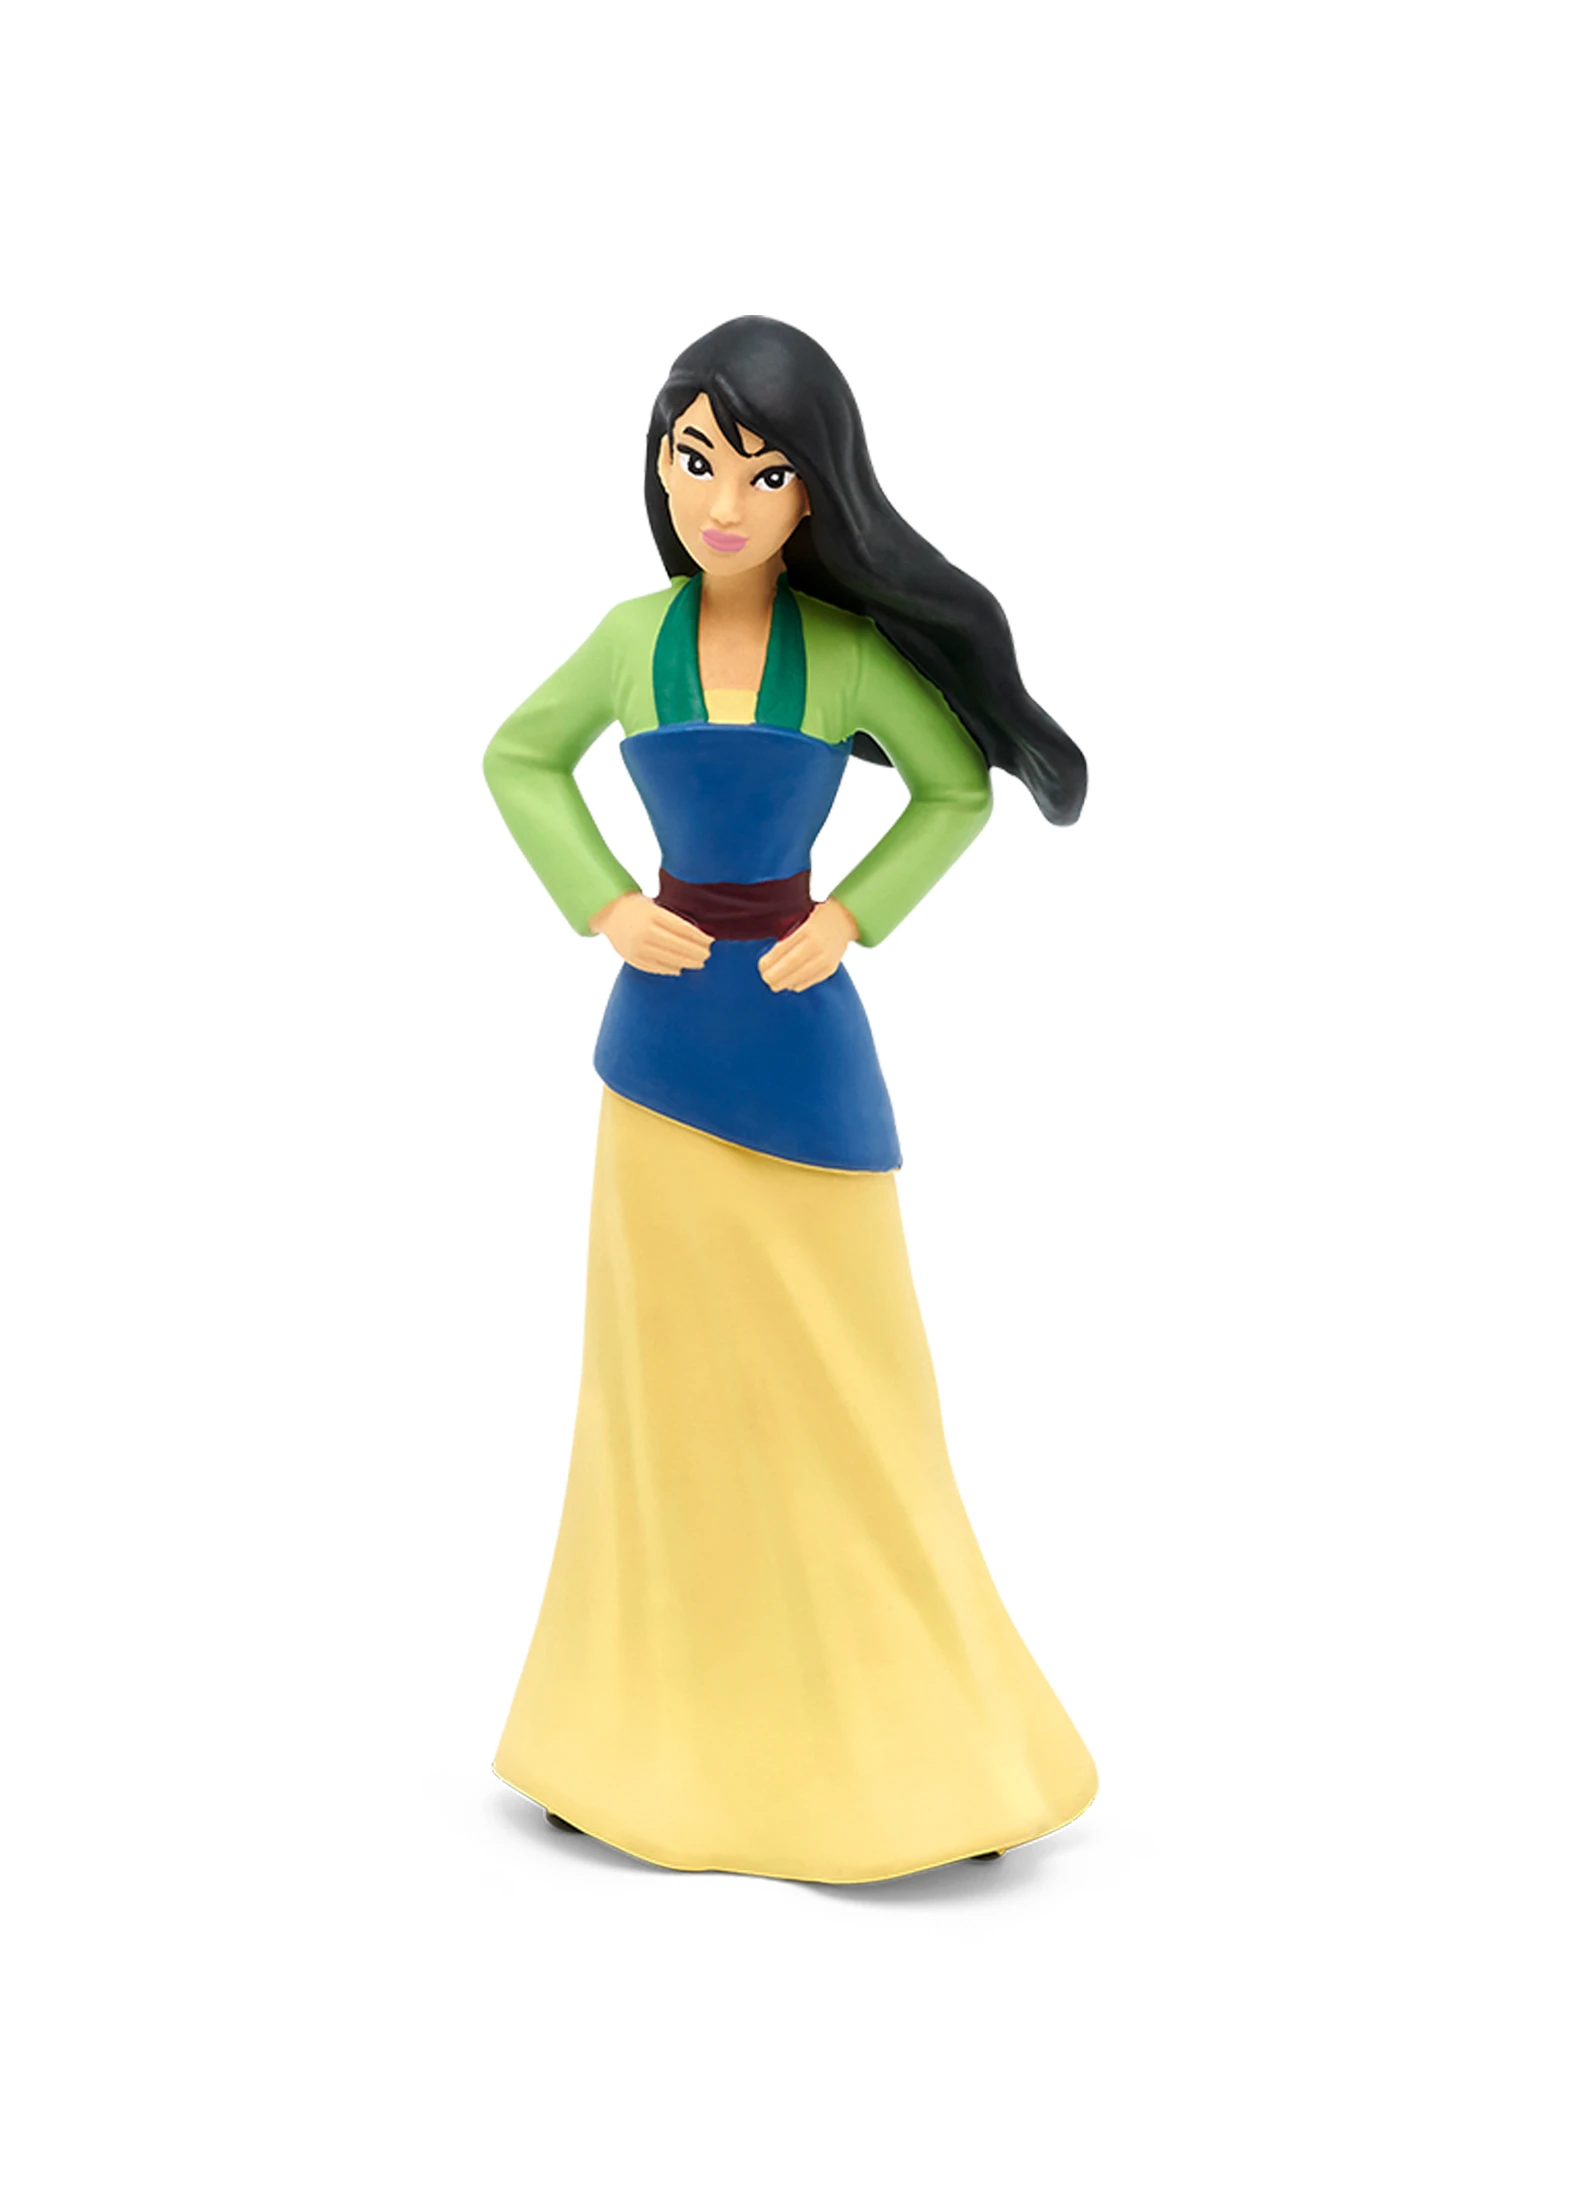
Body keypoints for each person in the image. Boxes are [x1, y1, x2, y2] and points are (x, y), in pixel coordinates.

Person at [482, 315, 1096, 1882]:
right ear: (657, 470)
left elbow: (953, 788)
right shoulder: (629, 639)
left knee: (849, 1385)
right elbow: (518, 760)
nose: (724, 500)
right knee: (658, 1399)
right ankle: (629, 1734)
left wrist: (853, 915)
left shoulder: (847, 655)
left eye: (761, 472)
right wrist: (604, 903)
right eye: (694, 461)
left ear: (815, 489)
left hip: (800, 1049)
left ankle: (918, 1743)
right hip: (657, 1050)